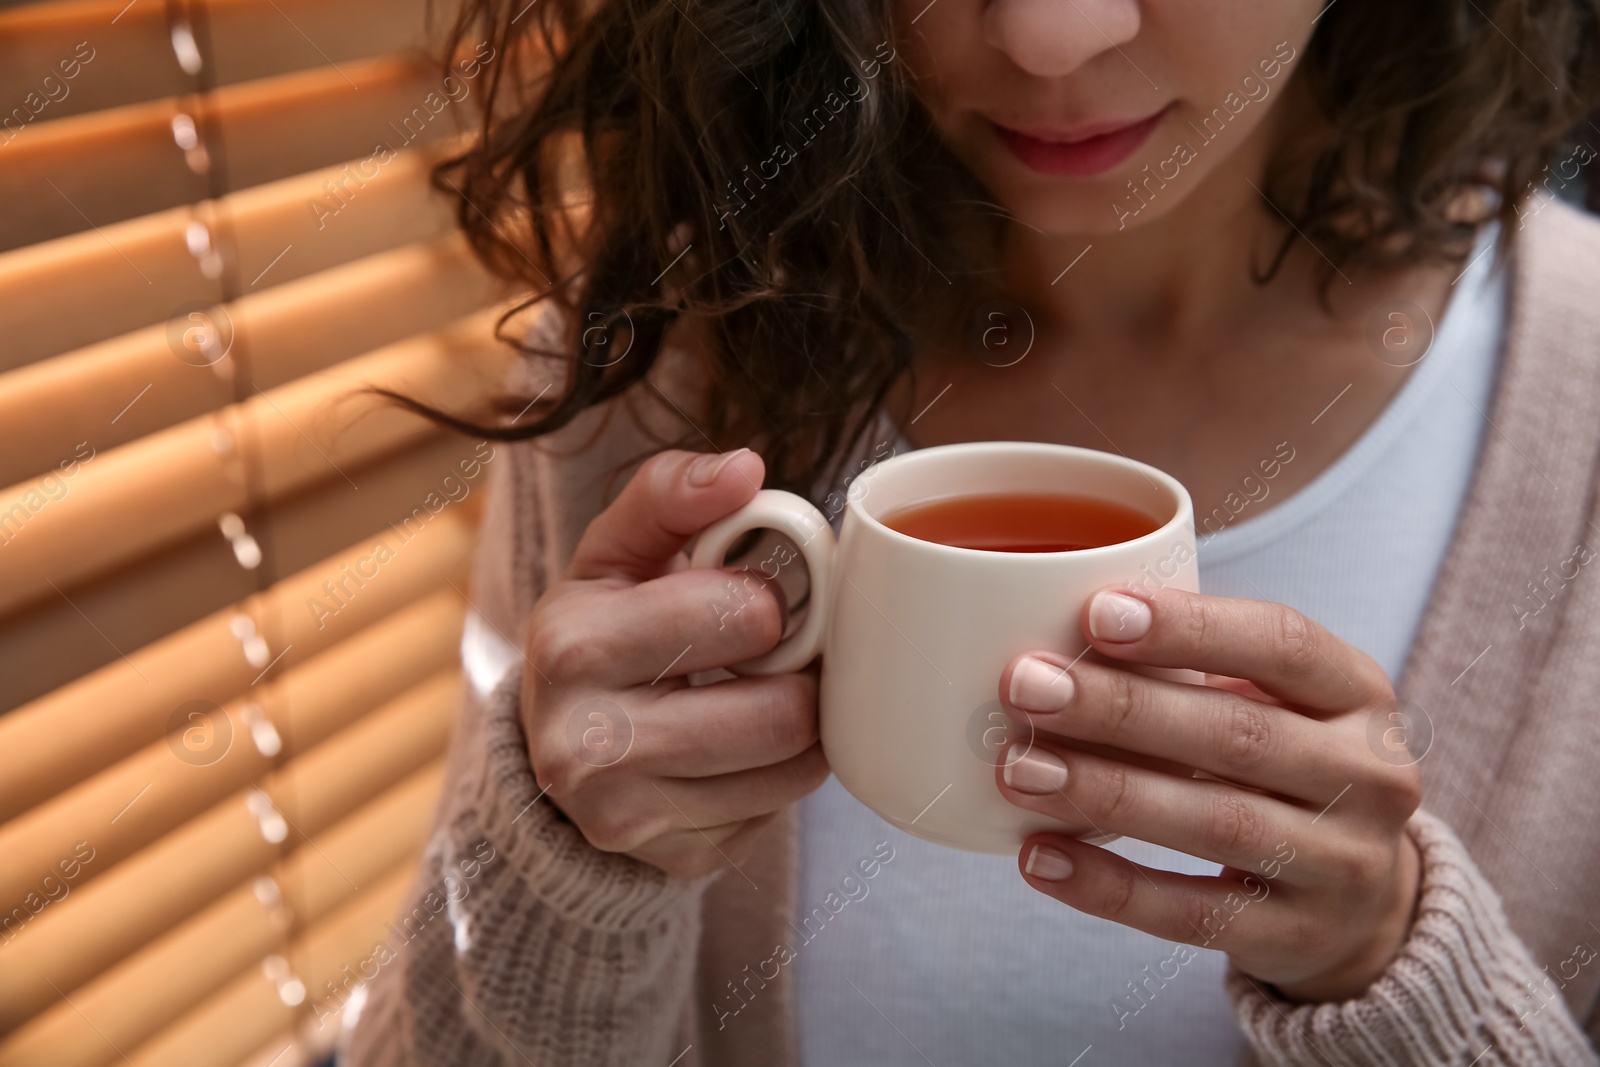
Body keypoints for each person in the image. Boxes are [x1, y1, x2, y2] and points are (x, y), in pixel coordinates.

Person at [345, 0, 1600, 1063]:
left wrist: (1395, 963)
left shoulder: (1575, 407)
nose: (1050, 37)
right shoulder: (655, 366)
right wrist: (564, 871)